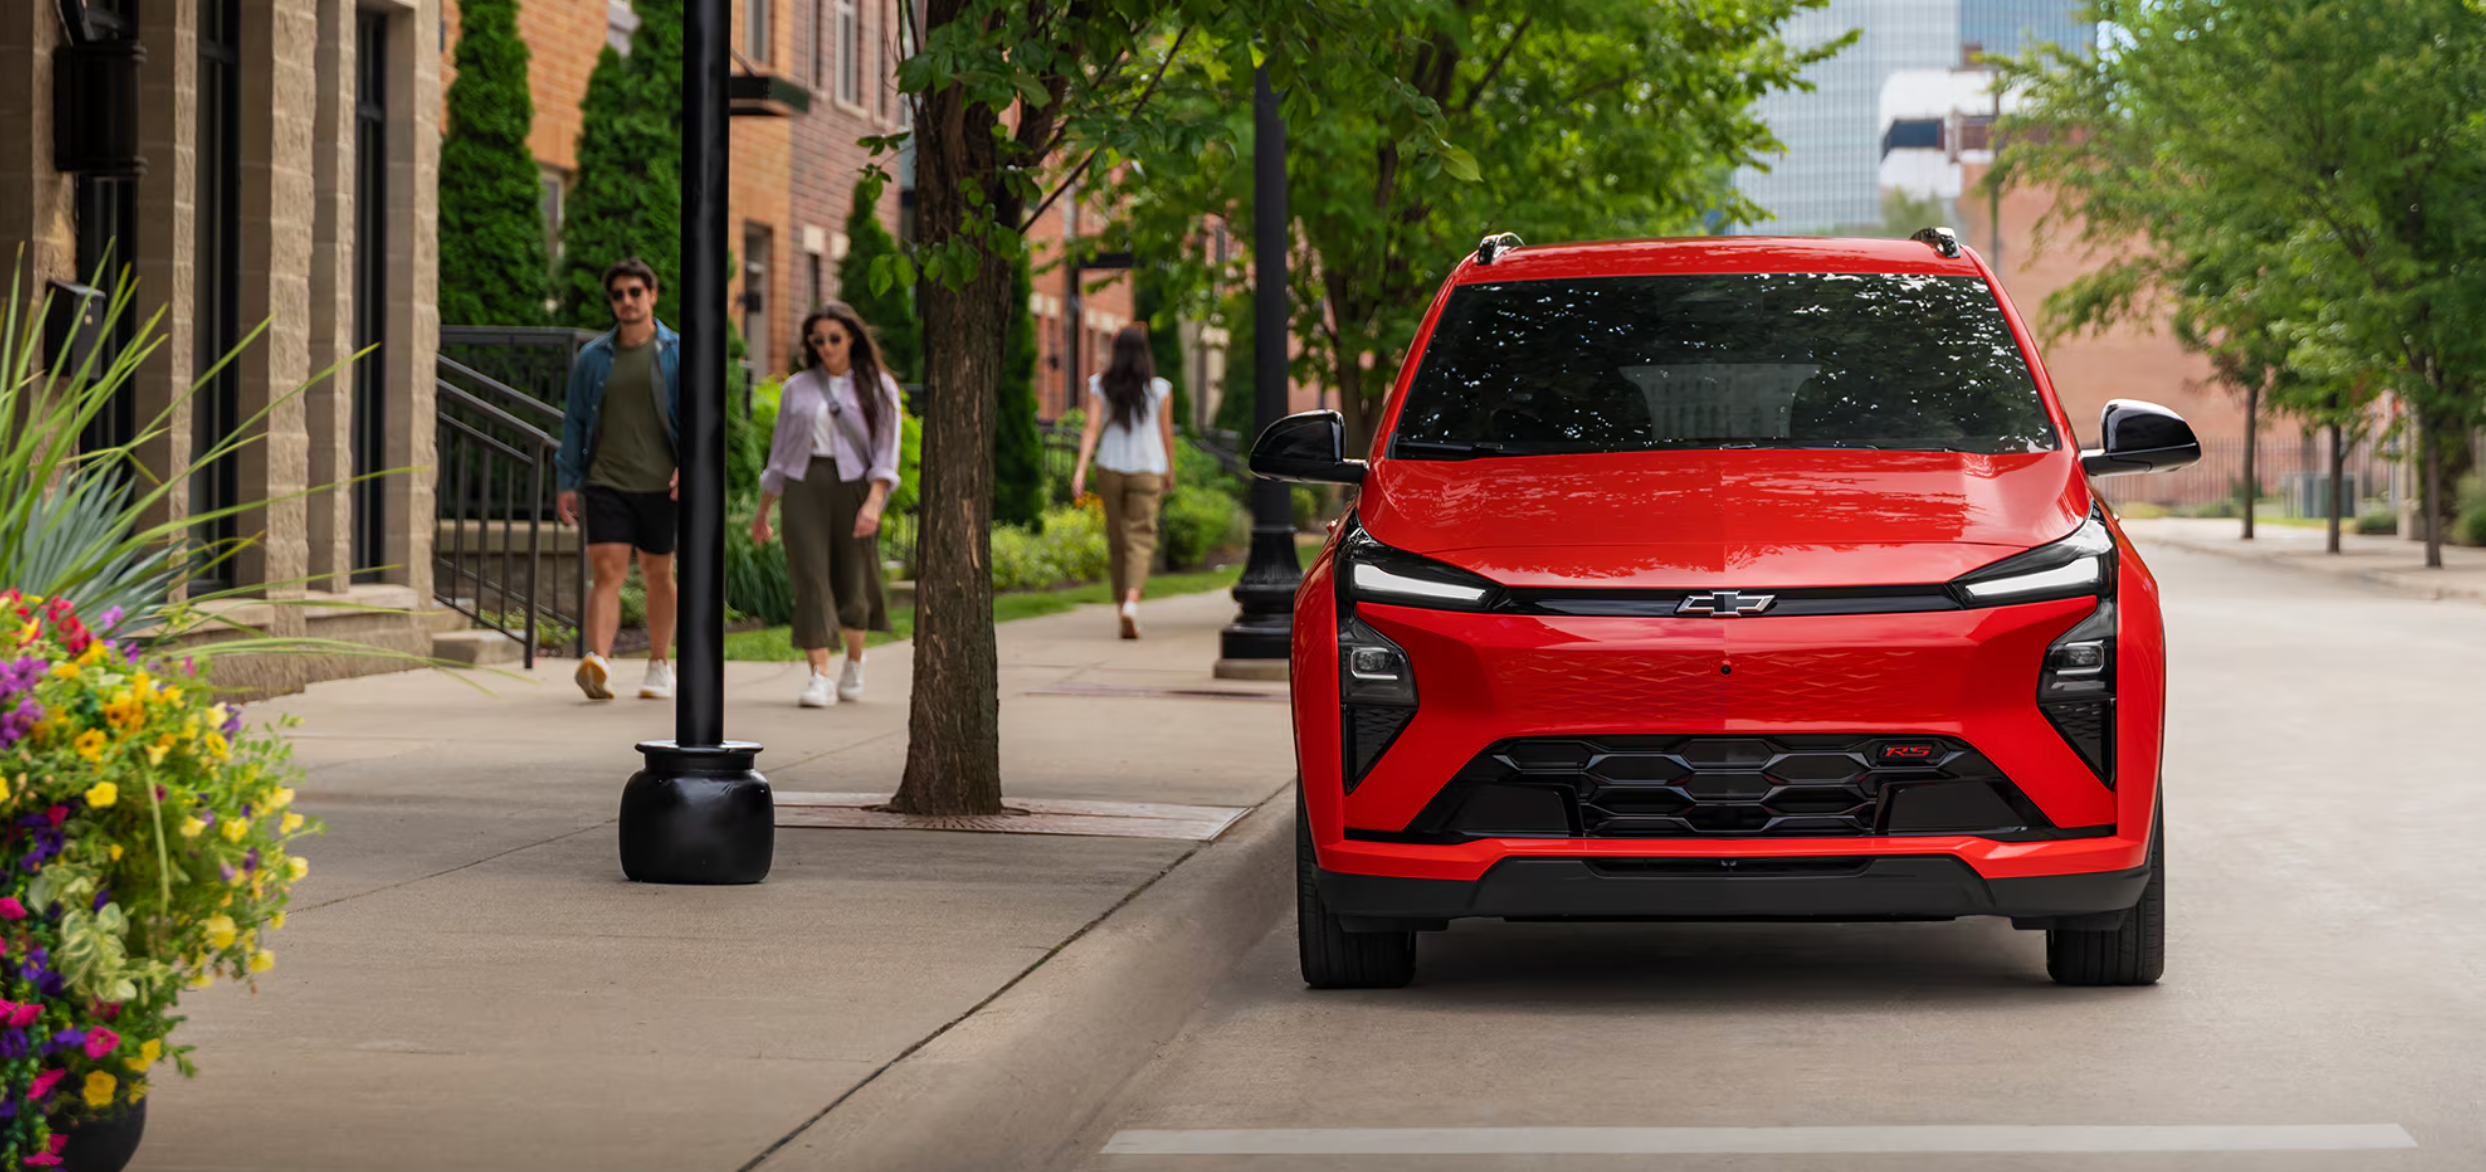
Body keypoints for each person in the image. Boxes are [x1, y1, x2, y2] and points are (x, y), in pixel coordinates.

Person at [750, 302, 901, 707]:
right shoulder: (796, 388)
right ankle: (818, 675)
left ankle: (854, 659)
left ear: (852, 337)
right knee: (810, 578)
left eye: (834, 338)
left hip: (855, 486)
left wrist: (874, 501)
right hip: (803, 486)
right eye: (819, 341)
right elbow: (779, 455)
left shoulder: (879, 387)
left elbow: (887, 452)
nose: (827, 347)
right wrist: (764, 509)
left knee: (854, 579)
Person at [556, 258, 682, 702]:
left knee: (657, 572)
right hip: (606, 479)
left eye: (634, 292)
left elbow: (697, 416)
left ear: (652, 294)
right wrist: (568, 479)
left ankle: (659, 664)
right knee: (607, 570)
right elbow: (574, 421)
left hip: (660, 483)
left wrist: (690, 466)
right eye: (618, 295)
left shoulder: (677, 352)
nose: (626, 301)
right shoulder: (593, 358)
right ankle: (599, 663)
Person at [1071, 325, 1176, 640]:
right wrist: (1170, 470)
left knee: (1117, 539)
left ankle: (1123, 611)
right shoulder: (1160, 389)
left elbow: (1091, 428)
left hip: (1110, 466)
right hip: (1147, 467)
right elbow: (1165, 433)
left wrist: (1080, 469)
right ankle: (1131, 601)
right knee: (1140, 537)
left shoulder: (1100, 385)